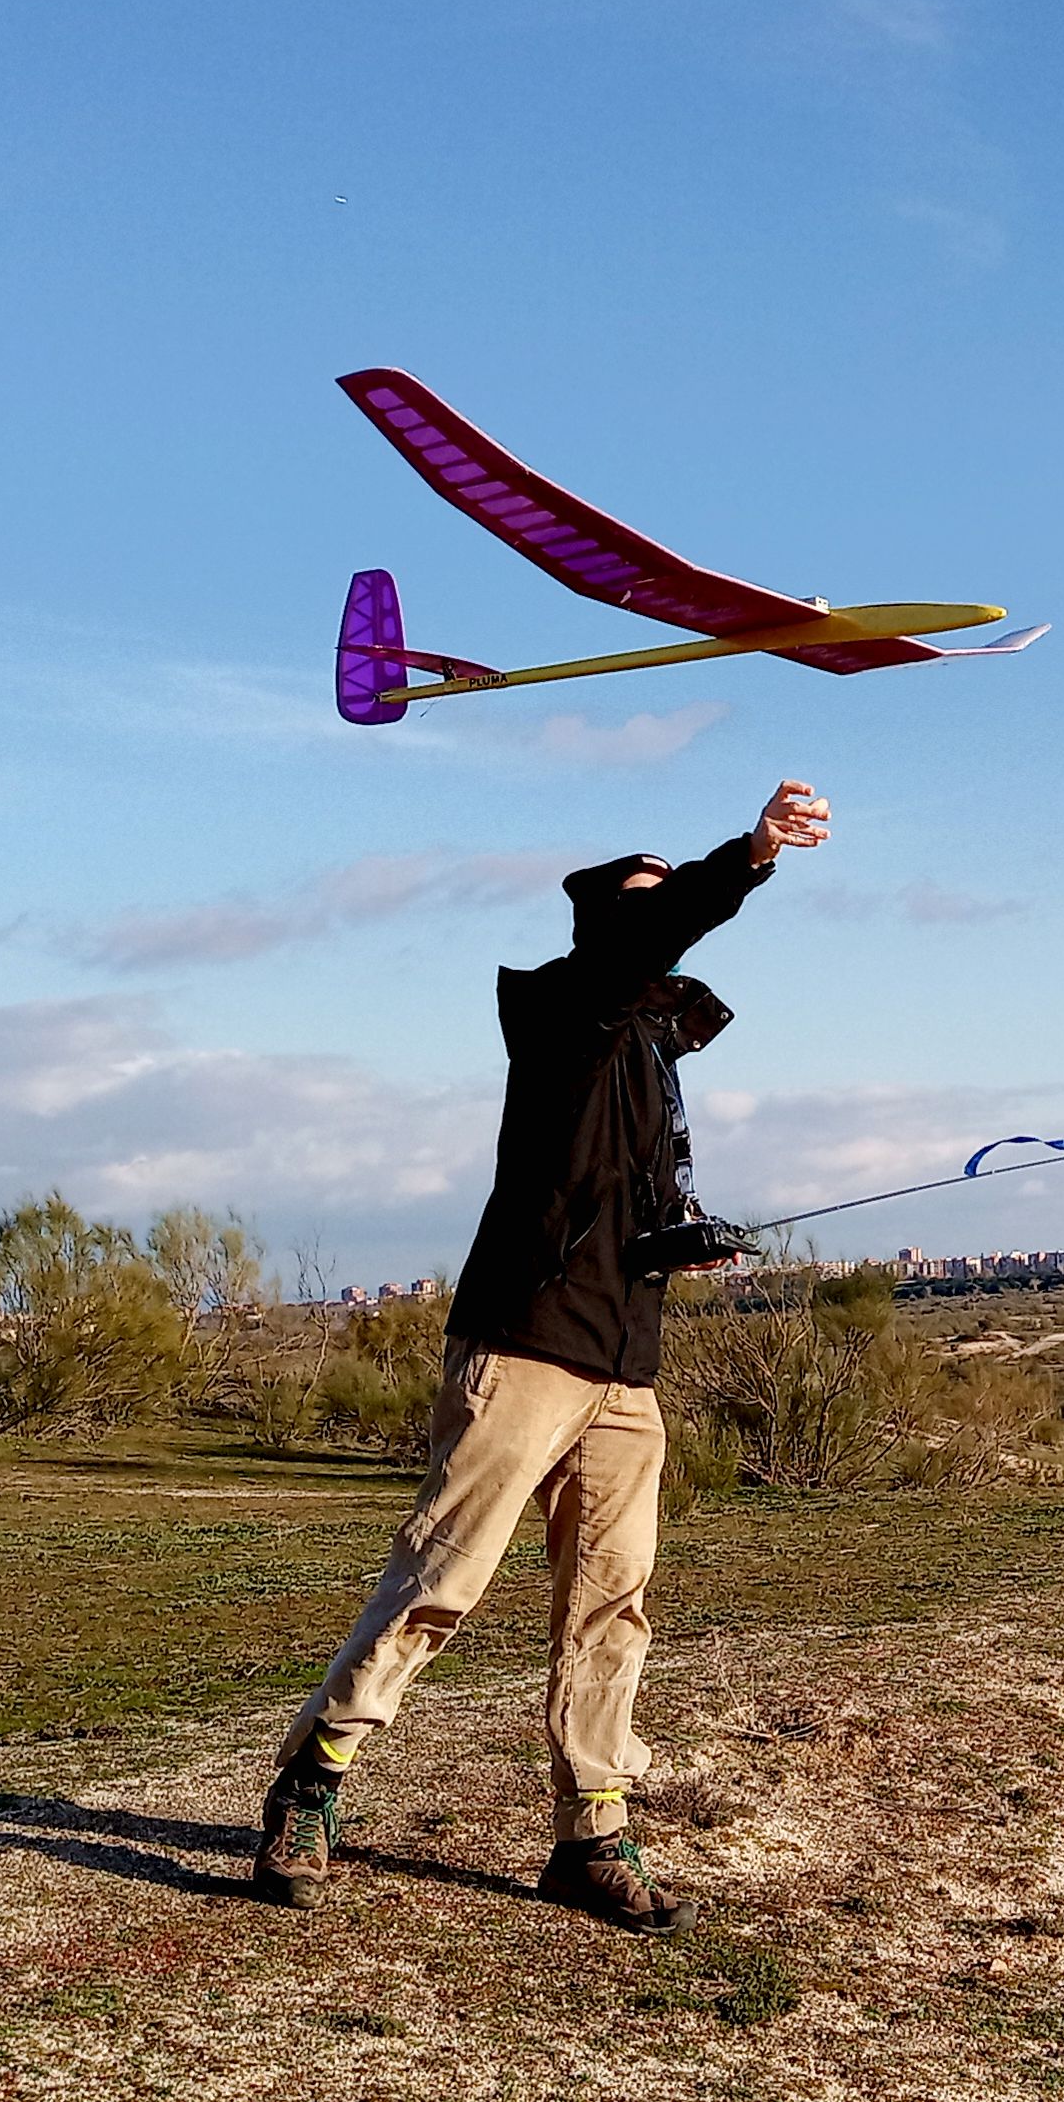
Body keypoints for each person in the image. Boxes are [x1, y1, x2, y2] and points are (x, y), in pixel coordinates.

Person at [253, 778, 831, 1930]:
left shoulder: (650, 1053)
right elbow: (642, 940)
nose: (658, 913)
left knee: (612, 1601)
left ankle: (589, 1833)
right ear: (601, 922)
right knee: (442, 1576)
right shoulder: (565, 1005)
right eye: (642, 900)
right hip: (524, 1342)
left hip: (624, 1360)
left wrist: (674, 1240)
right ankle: (311, 1781)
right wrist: (749, 853)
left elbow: (607, 1196)